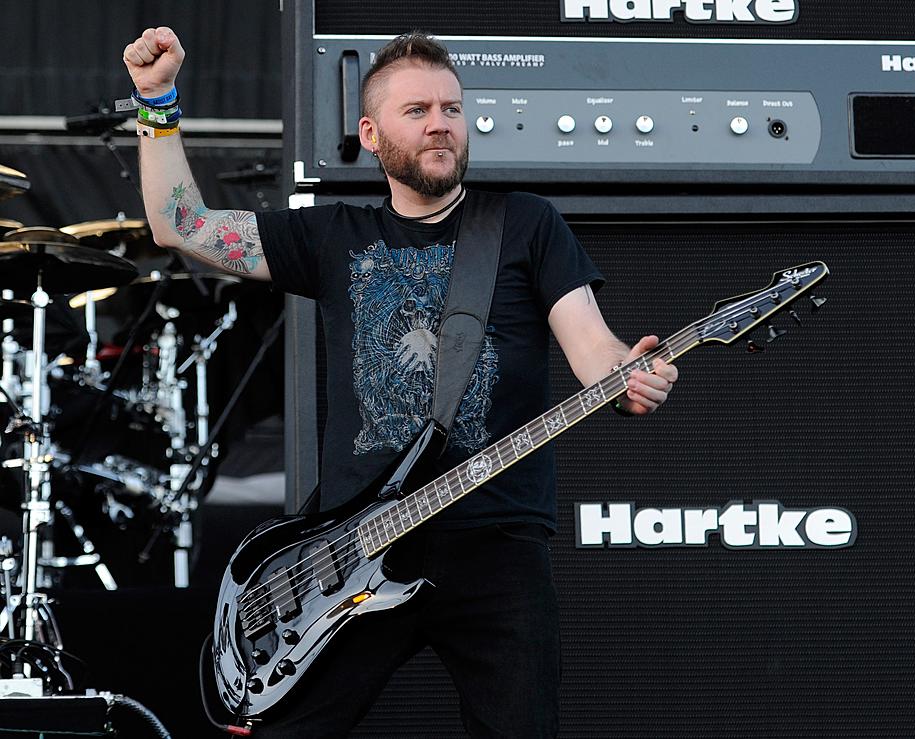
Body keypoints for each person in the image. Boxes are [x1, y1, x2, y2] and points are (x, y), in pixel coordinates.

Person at [123, 27, 679, 738]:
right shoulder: (331, 235)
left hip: (495, 543)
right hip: (350, 552)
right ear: (371, 132)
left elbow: (593, 347)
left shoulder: (525, 224)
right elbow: (180, 226)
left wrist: (629, 376)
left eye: (451, 108)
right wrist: (157, 99)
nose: (441, 123)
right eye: (417, 110)